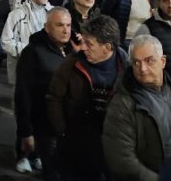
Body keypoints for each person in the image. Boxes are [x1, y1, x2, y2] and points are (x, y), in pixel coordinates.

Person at [102, 34, 171, 180]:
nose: (142, 69)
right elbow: (121, 159)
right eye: (136, 63)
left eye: (149, 61)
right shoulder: (122, 104)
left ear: (163, 61)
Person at [47, 14, 125, 181]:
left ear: (107, 47)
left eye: (90, 44)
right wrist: (62, 131)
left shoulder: (127, 68)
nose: (83, 48)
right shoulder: (73, 64)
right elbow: (54, 97)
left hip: (111, 149)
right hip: (75, 147)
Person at [14, 8, 82, 178]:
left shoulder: (71, 51)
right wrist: (25, 131)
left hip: (69, 125)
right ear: (47, 27)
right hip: (45, 127)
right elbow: (23, 94)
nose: (66, 30)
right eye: (60, 25)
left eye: (68, 25)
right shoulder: (33, 52)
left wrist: (81, 53)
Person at [2, 0, 54, 86]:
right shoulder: (16, 14)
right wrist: (30, 52)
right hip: (23, 71)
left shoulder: (54, 14)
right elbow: (6, 42)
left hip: (48, 71)